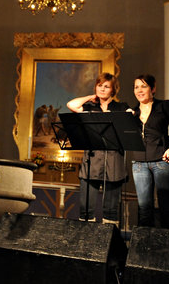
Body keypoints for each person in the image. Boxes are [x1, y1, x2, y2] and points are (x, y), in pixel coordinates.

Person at [67, 72, 129, 225]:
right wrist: (90, 97)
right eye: (99, 85)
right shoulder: (90, 107)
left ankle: (110, 237)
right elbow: (71, 105)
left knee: (111, 210)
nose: (102, 89)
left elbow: (130, 119)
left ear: (113, 90)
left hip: (114, 162)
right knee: (85, 209)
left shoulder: (121, 107)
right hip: (92, 161)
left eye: (106, 86)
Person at [131, 74, 169, 228]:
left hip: (162, 162)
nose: (139, 90)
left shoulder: (164, 106)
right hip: (139, 164)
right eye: (136, 87)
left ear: (153, 89)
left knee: (166, 208)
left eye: (143, 86)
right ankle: (145, 242)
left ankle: (167, 243)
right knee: (144, 209)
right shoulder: (133, 112)